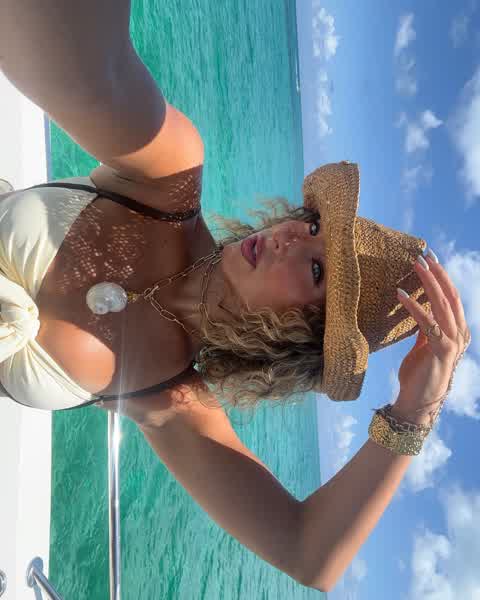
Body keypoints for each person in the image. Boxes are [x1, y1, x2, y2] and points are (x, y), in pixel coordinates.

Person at [0, 0, 471, 591]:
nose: (292, 235)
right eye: (314, 225)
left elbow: (309, 554)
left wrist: (414, 411)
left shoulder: (171, 397)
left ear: (303, 337)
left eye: (317, 269)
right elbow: (83, 64)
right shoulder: (164, 182)